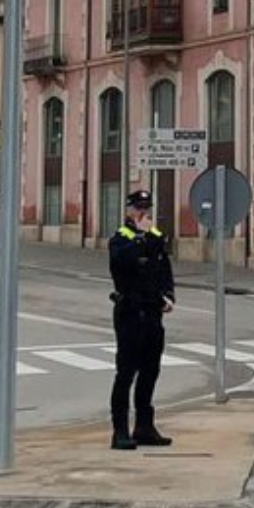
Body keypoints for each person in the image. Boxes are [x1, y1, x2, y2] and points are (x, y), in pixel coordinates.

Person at [108, 188, 175, 451]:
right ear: (128, 211)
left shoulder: (155, 237)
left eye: (146, 208)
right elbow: (122, 264)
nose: (143, 213)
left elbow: (164, 268)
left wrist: (169, 295)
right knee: (126, 373)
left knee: (151, 370)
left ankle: (145, 426)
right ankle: (120, 430)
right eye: (138, 208)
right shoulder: (120, 239)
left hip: (152, 311)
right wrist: (140, 237)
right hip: (129, 311)